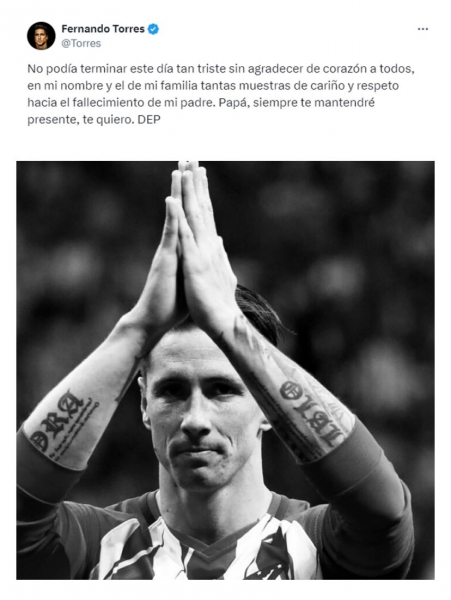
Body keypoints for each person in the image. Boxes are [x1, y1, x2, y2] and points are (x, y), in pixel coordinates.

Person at [17, 162, 414, 580]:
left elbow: (385, 513)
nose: (195, 420)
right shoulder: (95, 548)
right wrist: (137, 329)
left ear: (270, 406)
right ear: (144, 403)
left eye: (222, 389)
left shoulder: (317, 548)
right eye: (172, 391)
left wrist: (230, 324)